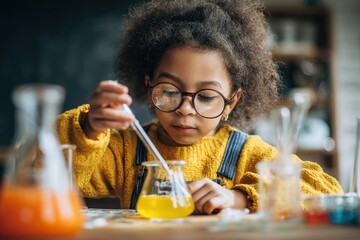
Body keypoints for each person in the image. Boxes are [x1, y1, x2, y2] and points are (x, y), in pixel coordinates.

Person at [57, 0, 343, 214]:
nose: (184, 109)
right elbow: (55, 177)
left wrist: (240, 198)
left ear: (232, 102)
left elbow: (326, 190)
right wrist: (89, 129)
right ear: (148, 85)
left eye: (206, 96)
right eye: (169, 91)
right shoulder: (125, 150)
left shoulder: (246, 153)